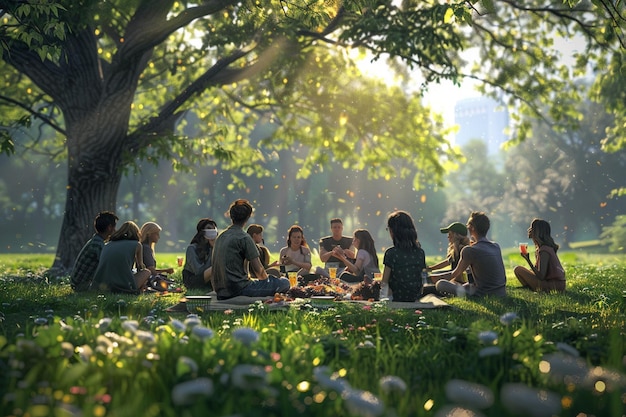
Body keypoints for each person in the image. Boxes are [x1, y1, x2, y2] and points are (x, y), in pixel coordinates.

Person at [211, 199, 290, 300]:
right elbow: (259, 271)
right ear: (248, 217)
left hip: (221, 290)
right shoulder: (244, 237)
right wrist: (267, 284)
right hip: (239, 289)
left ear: (231, 216)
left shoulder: (221, 237)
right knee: (284, 282)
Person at [433, 211, 507, 297]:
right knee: (467, 285)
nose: (467, 227)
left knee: (440, 284)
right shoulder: (496, 246)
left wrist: (433, 278)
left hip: (482, 294)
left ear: (472, 228)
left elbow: (454, 274)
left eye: (468, 225)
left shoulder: (469, 250)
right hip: (501, 292)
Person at [91, 221, 151, 294]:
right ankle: (138, 291)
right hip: (123, 286)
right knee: (147, 272)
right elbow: (140, 267)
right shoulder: (137, 245)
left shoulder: (107, 245)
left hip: (103, 285)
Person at [381, 211, 426, 301]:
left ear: (393, 231)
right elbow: (422, 277)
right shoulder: (420, 252)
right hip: (414, 297)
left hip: (396, 297)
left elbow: (384, 282)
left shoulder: (391, 253)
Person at [70, 211, 118, 292]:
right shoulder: (98, 245)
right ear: (109, 227)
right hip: (82, 286)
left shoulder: (95, 241)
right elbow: (107, 267)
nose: (115, 230)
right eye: (114, 227)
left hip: (77, 283)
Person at [514, 218, 566, 292]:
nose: (528, 230)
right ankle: (530, 288)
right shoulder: (543, 248)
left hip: (554, 286)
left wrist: (528, 260)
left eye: (531, 228)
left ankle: (532, 288)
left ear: (537, 232)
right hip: (557, 285)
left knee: (518, 269)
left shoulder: (544, 250)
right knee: (525, 271)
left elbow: (541, 276)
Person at [423, 222, 473, 295]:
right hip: (454, 279)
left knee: (432, 285)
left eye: (450, 234)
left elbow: (460, 274)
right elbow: (447, 262)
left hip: (461, 283)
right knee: (434, 276)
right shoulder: (455, 250)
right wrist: (431, 268)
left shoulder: (463, 250)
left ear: (457, 235)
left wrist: (436, 277)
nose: (448, 237)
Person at [182, 218, 218, 290]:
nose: (212, 231)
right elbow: (199, 271)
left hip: (208, 279)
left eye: (214, 229)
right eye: (209, 229)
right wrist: (213, 250)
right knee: (215, 267)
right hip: (193, 279)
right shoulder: (191, 248)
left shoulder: (211, 247)